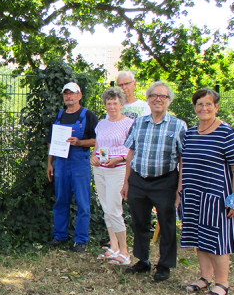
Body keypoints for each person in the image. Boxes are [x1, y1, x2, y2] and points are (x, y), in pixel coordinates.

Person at [180, 88, 234, 295]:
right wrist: (180, 192)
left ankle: (222, 283)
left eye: (208, 104)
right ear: (195, 107)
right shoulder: (190, 133)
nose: (204, 108)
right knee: (199, 238)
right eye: (200, 104)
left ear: (216, 107)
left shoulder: (227, 133)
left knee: (216, 241)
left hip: (217, 197)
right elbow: (183, 164)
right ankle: (205, 278)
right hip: (193, 193)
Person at [121, 81, 188, 281]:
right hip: (139, 180)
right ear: (148, 100)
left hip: (165, 182)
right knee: (139, 222)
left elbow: (183, 159)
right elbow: (131, 153)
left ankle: (164, 265)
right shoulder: (139, 123)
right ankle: (142, 261)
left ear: (169, 101)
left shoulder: (178, 125)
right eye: (153, 96)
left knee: (167, 223)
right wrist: (126, 182)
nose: (158, 99)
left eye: (163, 96)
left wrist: (179, 189)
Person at [45, 82, 98, 252]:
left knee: (83, 203)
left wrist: (80, 142)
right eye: (66, 93)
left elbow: (98, 140)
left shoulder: (88, 115)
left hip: (79, 164)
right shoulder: (60, 116)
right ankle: (60, 235)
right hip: (61, 164)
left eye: (72, 93)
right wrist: (50, 163)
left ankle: (81, 240)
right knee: (61, 201)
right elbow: (52, 142)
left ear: (79, 95)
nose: (69, 96)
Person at [91, 87, 134, 265]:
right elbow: (98, 144)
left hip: (118, 169)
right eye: (109, 103)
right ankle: (113, 246)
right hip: (101, 168)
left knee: (115, 210)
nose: (112, 107)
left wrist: (119, 159)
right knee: (106, 208)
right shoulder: (101, 124)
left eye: (115, 103)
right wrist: (93, 156)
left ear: (122, 104)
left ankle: (125, 252)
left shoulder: (129, 123)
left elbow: (132, 149)